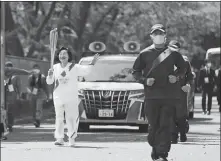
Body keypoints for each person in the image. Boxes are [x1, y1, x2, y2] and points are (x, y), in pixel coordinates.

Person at [132, 24, 186, 161]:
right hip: (151, 96)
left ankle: (162, 153)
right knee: (153, 127)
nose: (158, 36)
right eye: (155, 34)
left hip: (169, 95)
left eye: (160, 34)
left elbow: (183, 68)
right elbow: (135, 72)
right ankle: (155, 148)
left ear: (165, 36)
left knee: (165, 125)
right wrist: (144, 80)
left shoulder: (173, 53)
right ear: (151, 36)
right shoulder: (144, 54)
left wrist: (177, 77)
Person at [46, 47, 99, 147]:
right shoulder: (55, 67)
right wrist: (49, 75)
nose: (63, 55)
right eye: (61, 54)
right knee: (59, 118)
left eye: (65, 53)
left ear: (69, 56)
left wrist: (92, 63)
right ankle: (59, 138)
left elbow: (86, 71)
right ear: (58, 56)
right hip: (58, 96)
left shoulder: (74, 67)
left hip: (71, 97)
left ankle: (71, 138)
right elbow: (49, 82)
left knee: (71, 118)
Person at [168, 42, 194, 144]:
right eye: (172, 48)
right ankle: (173, 136)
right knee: (170, 114)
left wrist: (187, 85)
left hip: (181, 91)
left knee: (181, 115)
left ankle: (182, 133)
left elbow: (190, 76)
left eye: (176, 48)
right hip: (168, 92)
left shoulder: (185, 62)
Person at [4, 61, 22, 132]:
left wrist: (19, 94)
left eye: (10, 66)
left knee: (10, 111)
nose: (8, 67)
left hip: (12, 96)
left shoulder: (15, 76)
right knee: (4, 110)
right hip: (4, 95)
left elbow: (19, 86)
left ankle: (10, 125)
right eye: (7, 66)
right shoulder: (3, 75)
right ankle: (4, 124)